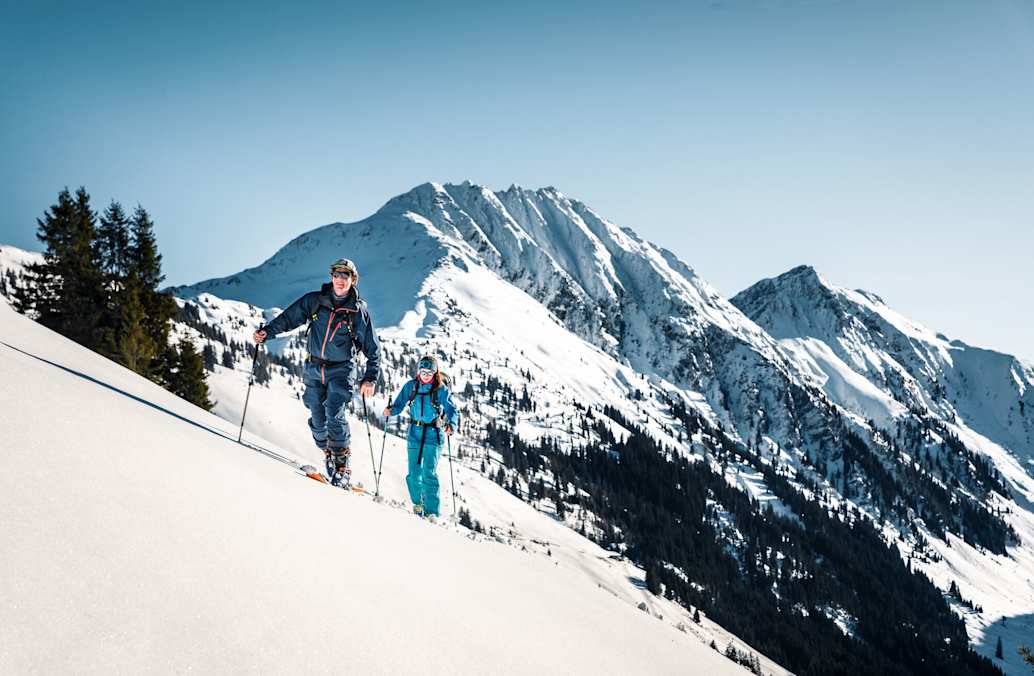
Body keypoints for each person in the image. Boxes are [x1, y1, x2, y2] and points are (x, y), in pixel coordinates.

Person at [252, 258, 380, 488]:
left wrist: (370, 378)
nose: (340, 280)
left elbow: (372, 347)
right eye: (337, 275)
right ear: (331, 277)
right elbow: (289, 318)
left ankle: (342, 465)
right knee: (316, 415)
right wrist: (267, 333)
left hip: (342, 370)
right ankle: (327, 452)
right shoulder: (314, 301)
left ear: (353, 280)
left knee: (334, 411)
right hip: (314, 367)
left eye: (345, 276)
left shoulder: (358, 311)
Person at [383, 355, 459, 518]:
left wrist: (451, 425)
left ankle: (431, 513)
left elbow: (453, 410)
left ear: (435, 372)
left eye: (429, 372)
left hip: (434, 435)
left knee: (428, 473)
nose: (425, 375)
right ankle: (418, 504)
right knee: (413, 475)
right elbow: (399, 403)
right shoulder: (411, 387)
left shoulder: (440, 390)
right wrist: (391, 410)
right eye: (422, 371)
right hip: (414, 433)